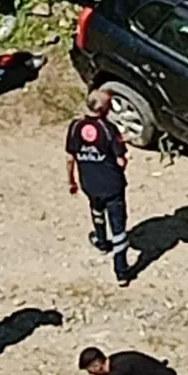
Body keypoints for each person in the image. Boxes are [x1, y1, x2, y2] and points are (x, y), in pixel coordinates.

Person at [66, 89, 130, 286]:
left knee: (96, 210)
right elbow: (120, 162)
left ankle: (101, 242)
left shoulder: (75, 127)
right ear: (104, 109)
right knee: (118, 228)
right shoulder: (109, 129)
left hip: (89, 183)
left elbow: (70, 158)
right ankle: (121, 272)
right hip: (112, 185)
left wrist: (71, 181)